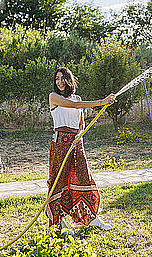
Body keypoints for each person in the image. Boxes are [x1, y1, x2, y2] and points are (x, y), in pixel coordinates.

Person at [46, 66, 115, 234]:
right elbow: (73, 106)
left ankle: (91, 218)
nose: (60, 82)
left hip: (77, 143)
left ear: (69, 80)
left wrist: (80, 133)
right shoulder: (53, 97)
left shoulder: (77, 97)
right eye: (57, 79)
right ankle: (58, 223)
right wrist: (101, 102)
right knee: (59, 181)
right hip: (60, 144)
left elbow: (81, 121)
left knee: (83, 177)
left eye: (63, 78)